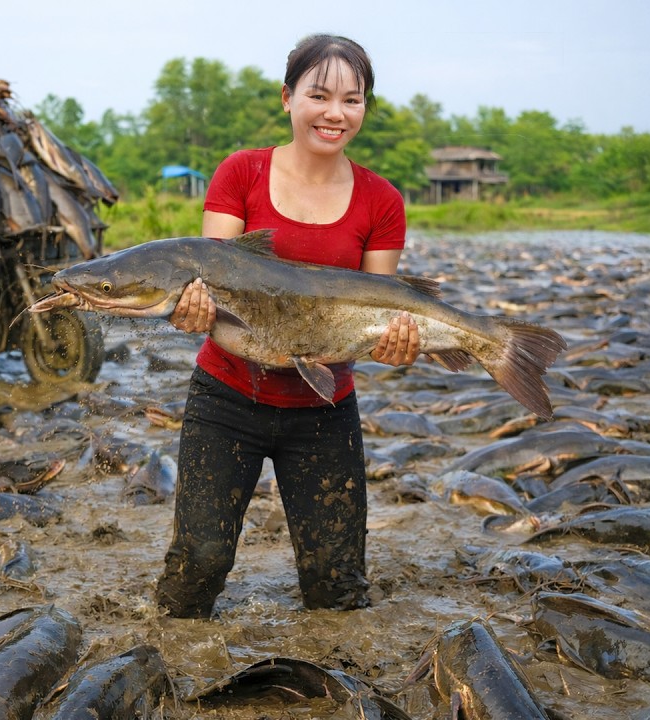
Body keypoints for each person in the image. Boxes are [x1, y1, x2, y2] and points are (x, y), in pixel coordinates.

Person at [154, 33, 421, 619]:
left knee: (338, 590)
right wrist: (187, 311)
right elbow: (209, 280)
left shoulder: (382, 201)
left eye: (353, 100)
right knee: (195, 570)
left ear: (365, 109)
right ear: (287, 97)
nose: (335, 113)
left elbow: (380, 309)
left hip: (325, 411)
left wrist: (396, 345)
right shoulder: (241, 173)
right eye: (319, 95)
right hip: (224, 399)